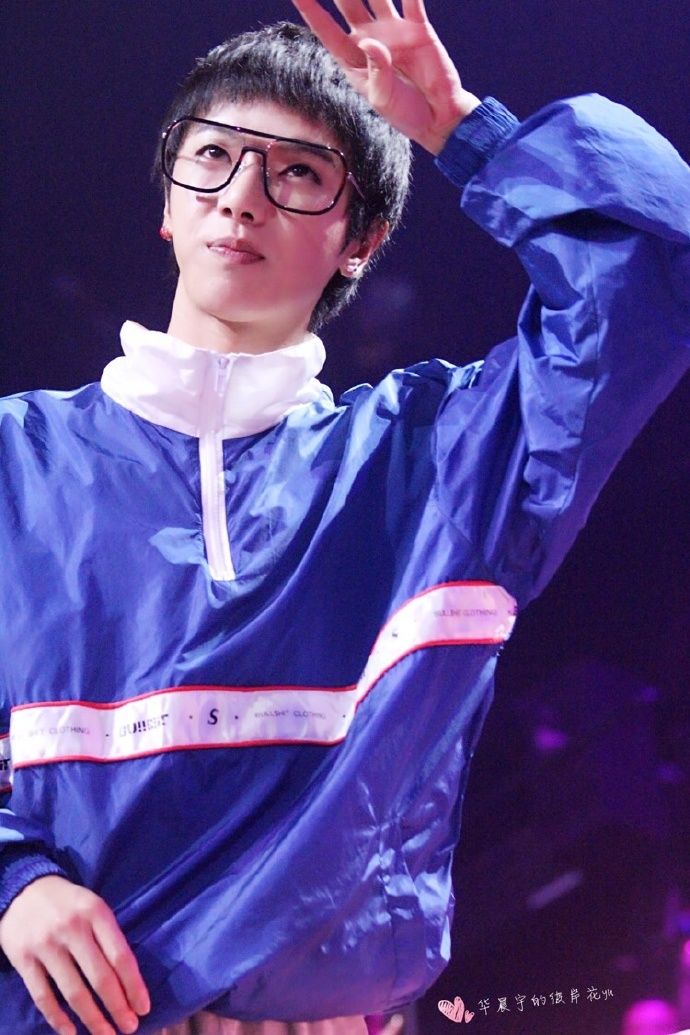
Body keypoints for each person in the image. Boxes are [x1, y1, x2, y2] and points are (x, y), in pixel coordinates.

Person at [0, 1, 688, 1033]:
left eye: (299, 173)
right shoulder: (16, 459)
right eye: (213, 157)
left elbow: (651, 279)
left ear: (360, 240)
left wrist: (464, 129)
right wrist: (12, 878)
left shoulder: (445, 460)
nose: (242, 196)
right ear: (169, 203)